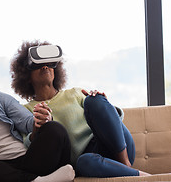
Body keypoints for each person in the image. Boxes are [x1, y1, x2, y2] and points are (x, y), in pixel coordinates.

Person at [10, 40, 150, 178]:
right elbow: (29, 146)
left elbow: (112, 122)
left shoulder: (75, 93)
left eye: (50, 63)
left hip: (117, 147)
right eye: (38, 64)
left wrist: (103, 102)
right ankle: (138, 175)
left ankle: (126, 166)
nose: (45, 67)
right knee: (83, 162)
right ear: (26, 74)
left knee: (94, 100)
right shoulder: (26, 109)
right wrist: (37, 129)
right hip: (90, 161)